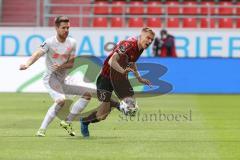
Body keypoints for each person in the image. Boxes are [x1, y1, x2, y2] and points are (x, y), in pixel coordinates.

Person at [19, 16, 91, 137]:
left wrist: (61, 66)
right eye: (63, 28)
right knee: (61, 101)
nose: (66, 30)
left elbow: (71, 63)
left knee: (87, 95)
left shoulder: (72, 43)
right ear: (56, 28)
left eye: (68, 27)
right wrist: (27, 64)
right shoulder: (49, 42)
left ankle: (67, 121)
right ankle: (41, 130)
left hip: (64, 78)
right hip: (51, 78)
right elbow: (37, 54)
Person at [79, 27, 155, 137]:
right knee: (102, 115)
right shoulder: (129, 45)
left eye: (151, 40)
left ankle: (118, 104)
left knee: (129, 106)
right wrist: (123, 71)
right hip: (105, 78)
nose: (149, 41)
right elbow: (111, 61)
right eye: (148, 38)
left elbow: (132, 62)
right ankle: (85, 120)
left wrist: (139, 78)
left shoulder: (140, 48)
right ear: (141, 36)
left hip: (118, 79)